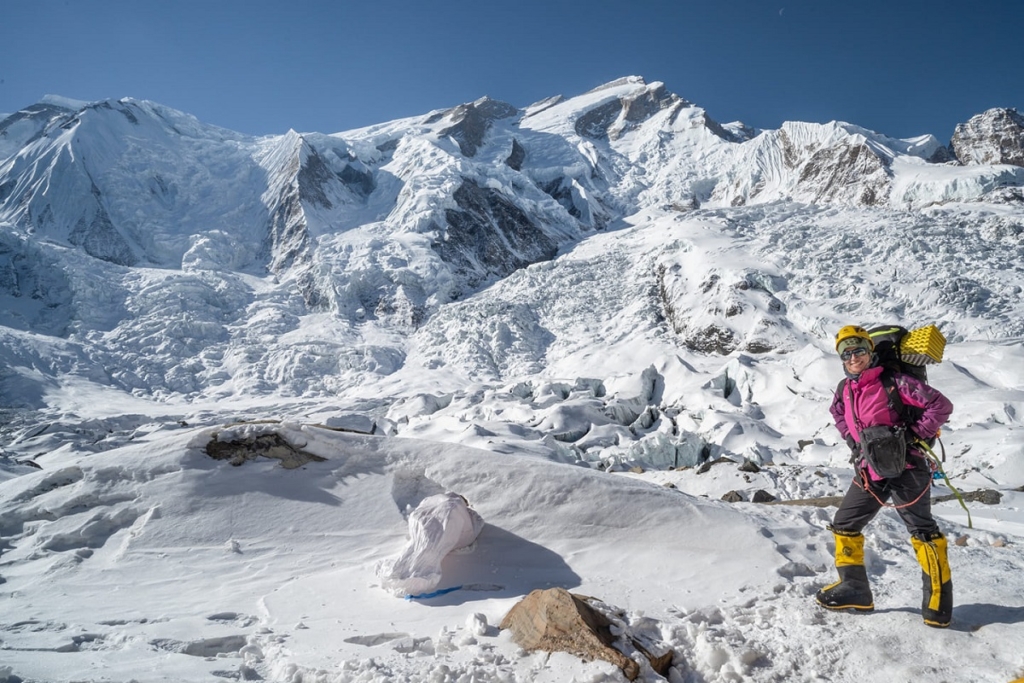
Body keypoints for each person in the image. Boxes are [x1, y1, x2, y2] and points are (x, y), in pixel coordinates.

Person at [816, 325, 955, 627]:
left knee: (922, 530)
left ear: (870, 350)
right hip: (870, 469)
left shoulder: (894, 382)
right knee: (845, 524)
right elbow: (838, 413)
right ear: (841, 358)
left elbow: (940, 405)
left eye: (859, 350)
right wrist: (855, 442)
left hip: (908, 467)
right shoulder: (845, 389)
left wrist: (915, 435)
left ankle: (937, 605)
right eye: (847, 352)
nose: (853, 357)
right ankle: (855, 590)